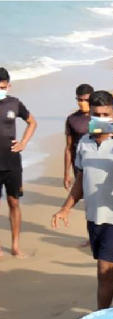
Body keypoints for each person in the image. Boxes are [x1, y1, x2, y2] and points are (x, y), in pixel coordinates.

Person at [51, 89, 113, 310]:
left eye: (106, 114)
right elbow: (81, 179)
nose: (101, 119)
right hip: (94, 215)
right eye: (96, 114)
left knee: (104, 270)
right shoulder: (84, 142)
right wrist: (65, 208)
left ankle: (99, 317)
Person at [0, 67, 37, 258]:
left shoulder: (14, 104)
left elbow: (32, 122)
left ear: (8, 85)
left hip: (12, 163)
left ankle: (15, 246)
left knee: (14, 202)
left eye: (2, 86)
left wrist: (23, 142)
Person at [63, 83, 93, 192]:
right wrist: (67, 173)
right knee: (85, 194)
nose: (82, 103)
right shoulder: (72, 119)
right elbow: (69, 148)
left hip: (97, 162)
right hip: (79, 164)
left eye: (86, 100)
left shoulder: (100, 117)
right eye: (80, 100)